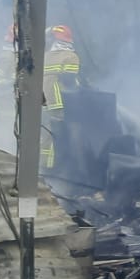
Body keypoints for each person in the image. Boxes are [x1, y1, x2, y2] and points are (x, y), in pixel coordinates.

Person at [42, 24, 81, 170]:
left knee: (45, 134)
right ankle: (54, 167)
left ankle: (42, 165)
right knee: (57, 134)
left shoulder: (45, 56)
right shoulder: (70, 56)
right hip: (60, 103)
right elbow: (69, 80)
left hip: (44, 101)